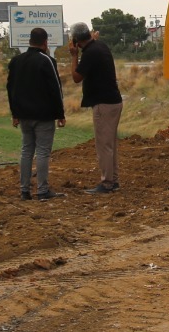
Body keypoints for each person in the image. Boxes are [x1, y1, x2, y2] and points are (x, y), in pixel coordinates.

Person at [7, 27, 66, 200]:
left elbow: (10, 88)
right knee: (42, 152)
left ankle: (24, 190)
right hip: (44, 115)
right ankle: (42, 190)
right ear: (45, 42)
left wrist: (14, 113)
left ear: (29, 41)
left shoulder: (16, 61)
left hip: (23, 114)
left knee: (26, 151)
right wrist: (60, 113)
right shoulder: (47, 60)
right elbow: (56, 88)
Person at [69, 21, 123, 194]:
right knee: (110, 144)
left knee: (104, 146)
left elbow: (76, 77)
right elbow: (93, 42)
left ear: (76, 40)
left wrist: (74, 56)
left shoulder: (90, 53)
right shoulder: (100, 46)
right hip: (113, 101)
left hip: (103, 104)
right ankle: (113, 181)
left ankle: (107, 183)